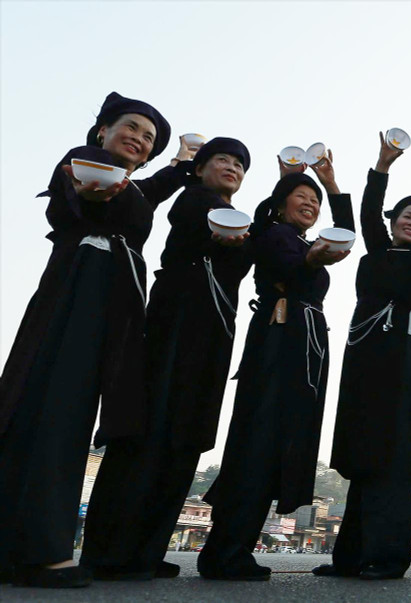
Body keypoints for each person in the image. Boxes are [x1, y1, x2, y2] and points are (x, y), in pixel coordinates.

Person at [0, 92, 192, 588]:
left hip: (109, 298)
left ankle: (22, 543)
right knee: (58, 405)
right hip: (81, 287)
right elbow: (86, 184)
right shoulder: (89, 164)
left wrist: (181, 164)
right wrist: (92, 191)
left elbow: (149, 192)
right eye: (131, 126)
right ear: (103, 130)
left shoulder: (130, 184)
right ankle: (39, 551)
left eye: (148, 137)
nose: (138, 137)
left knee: (66, 406)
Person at [80, 138, 253, 581]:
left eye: (239, 163)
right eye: (222, 159)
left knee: (184, 437)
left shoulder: (238, 222)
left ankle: (145, 550)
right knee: (150, 429)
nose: (231, 166)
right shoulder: (193, 200)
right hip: (175, 324)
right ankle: (110, 550)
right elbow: (188, 218)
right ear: (199, 169)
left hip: (214, 335)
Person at [197, 153, 353, 581]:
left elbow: (346, 235)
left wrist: (333, 187)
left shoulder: (303, 240)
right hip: (278, 340)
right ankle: (225, 549)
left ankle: (234, 547)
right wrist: (309, 260)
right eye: (301, 196)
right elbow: (284, 260)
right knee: (259, 437)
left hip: (304, 341)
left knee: (281, 439)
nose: (310, 204)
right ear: (281, 204)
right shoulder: (272, 233)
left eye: (315, 201)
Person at [313, 133, 411, 581]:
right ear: (393, 221)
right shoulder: (378, 250)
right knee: (362, 450)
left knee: (393, 451)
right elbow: (365, 212)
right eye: (407, 215)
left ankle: (388, 557)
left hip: (401, 356)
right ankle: (351, 557)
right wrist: (382, 164)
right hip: (362, 356)